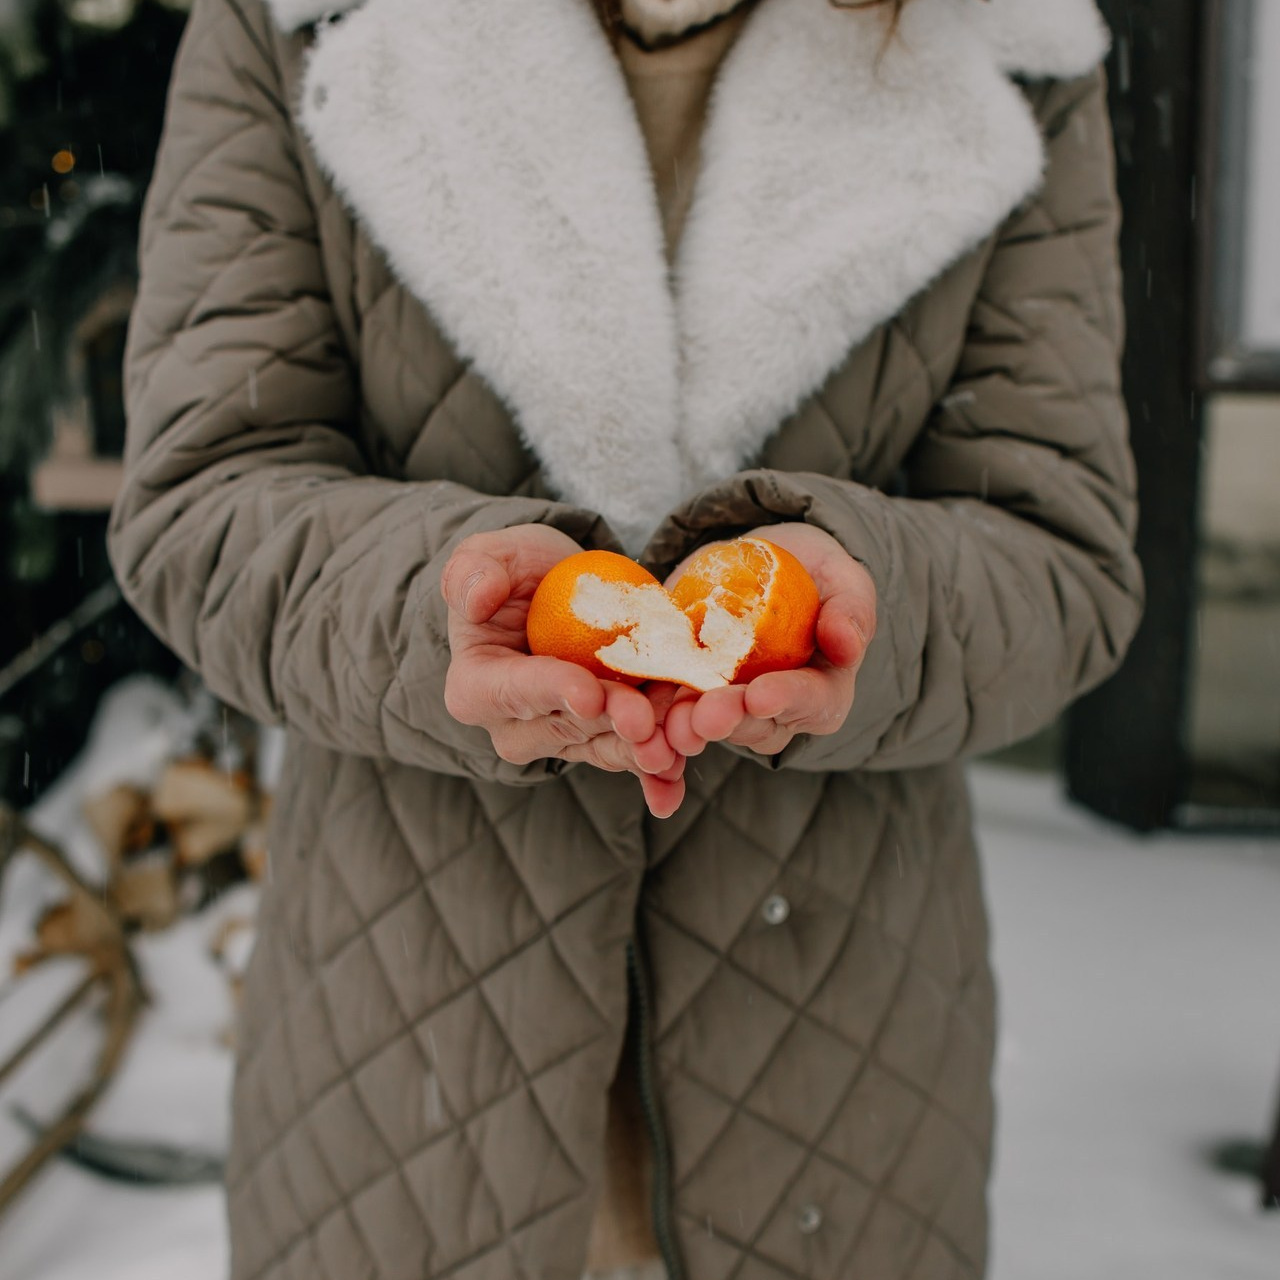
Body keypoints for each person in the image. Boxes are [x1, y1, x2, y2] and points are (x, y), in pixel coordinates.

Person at [108, 0, 1143, 1276]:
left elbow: (1058, 551)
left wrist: (867, 601)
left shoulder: (1006, 39)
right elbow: (204, 494)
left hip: (837, 1074)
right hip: (404, 1058)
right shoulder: (291, 21)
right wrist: (432, 610)